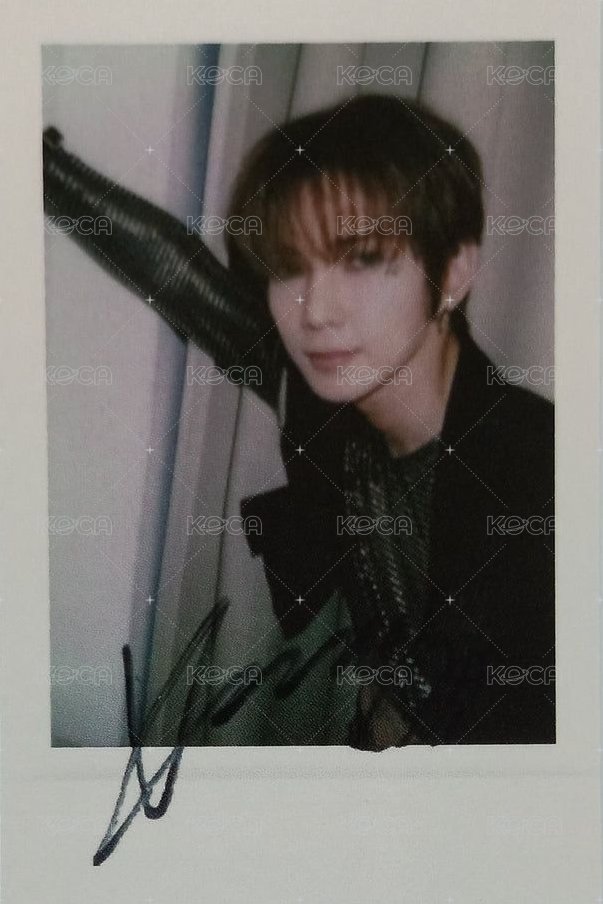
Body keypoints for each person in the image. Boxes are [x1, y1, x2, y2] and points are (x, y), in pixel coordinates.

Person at [42, 93, 555, 750]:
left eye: (361, 259)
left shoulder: (543, 472)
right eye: (289, 269)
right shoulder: (325, 404)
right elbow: (182, 281)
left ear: (453, 272)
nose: (315, 311)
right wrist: (42, 169)